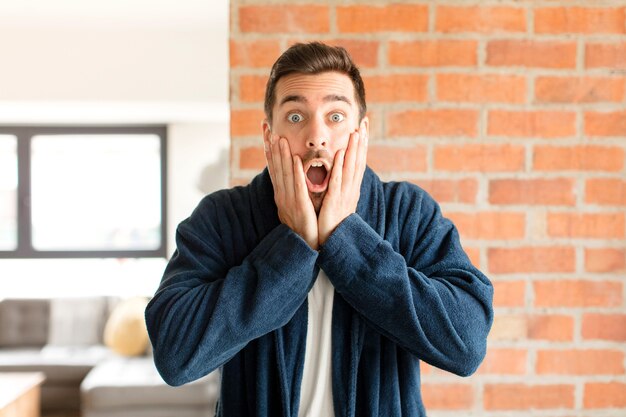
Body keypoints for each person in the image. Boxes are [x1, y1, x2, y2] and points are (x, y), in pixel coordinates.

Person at [145, 42, 494, 417]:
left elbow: (466, 343)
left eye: (336, 117)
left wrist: (345, 239)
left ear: (362, 132)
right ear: (268, 135)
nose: (316, 136)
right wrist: (292, 247)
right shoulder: (222, 216)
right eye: (296, 117)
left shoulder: (408, 211)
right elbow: (175, 355)